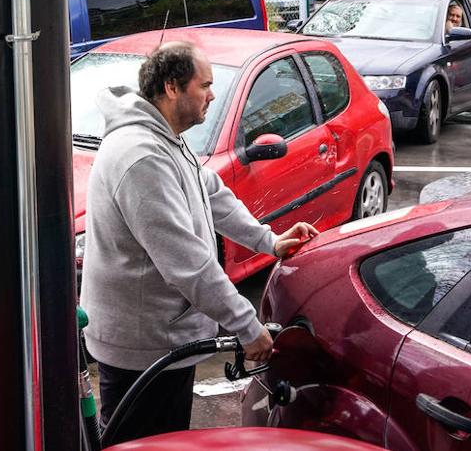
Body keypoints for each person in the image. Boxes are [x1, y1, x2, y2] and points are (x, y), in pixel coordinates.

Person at [80, 41, 318, 442]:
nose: (211, 95)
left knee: (159, 440)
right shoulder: (143, 156)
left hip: (163, 337)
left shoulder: (166, 138)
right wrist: (246, 325)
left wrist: (269, 241)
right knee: (143, 443)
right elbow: (186, 261)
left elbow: (213, 193)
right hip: (145, 347)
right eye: (204, 85)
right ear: (172, 88)